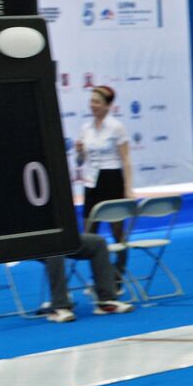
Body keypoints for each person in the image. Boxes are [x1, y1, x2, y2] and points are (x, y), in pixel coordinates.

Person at [76, 85, 135, 268]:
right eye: (91, 101)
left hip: (112, 180)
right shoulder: (85, 128)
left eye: (97, 102)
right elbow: (80, 162)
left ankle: (119, 273)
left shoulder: (117, 127)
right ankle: (101, 279)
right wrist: (79, 153)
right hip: (91, 181)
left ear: (108, 106)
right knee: (89, 234)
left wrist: (128, 189)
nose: (92, 105)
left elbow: (126, 160)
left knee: (117, 232)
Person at [40, 232, 135, 322]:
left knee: (97, 242)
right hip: (32, 243)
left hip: (61, 238)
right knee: (53, 246)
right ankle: (59, 306)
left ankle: (106, 301)